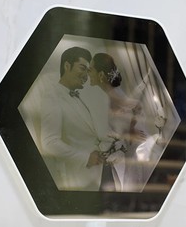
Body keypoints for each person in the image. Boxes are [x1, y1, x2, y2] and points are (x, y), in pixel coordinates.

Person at [40, 46, 103, 191]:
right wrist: (86, 158)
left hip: (96, 176)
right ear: (67, 66)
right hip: (78, 179)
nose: (86, 76)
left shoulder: (78, 96)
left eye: (88, 71)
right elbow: (49, 142)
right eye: (82, 68)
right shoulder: (52, 97)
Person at [88, 53, 148, 192]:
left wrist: (130, 130)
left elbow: (137, 106)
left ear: (101, 74)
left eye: (91, 69)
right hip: (121, 149)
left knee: (129, 184)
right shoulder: (105, 94)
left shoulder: (112, 93)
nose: (88, 73)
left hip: (131, 147)